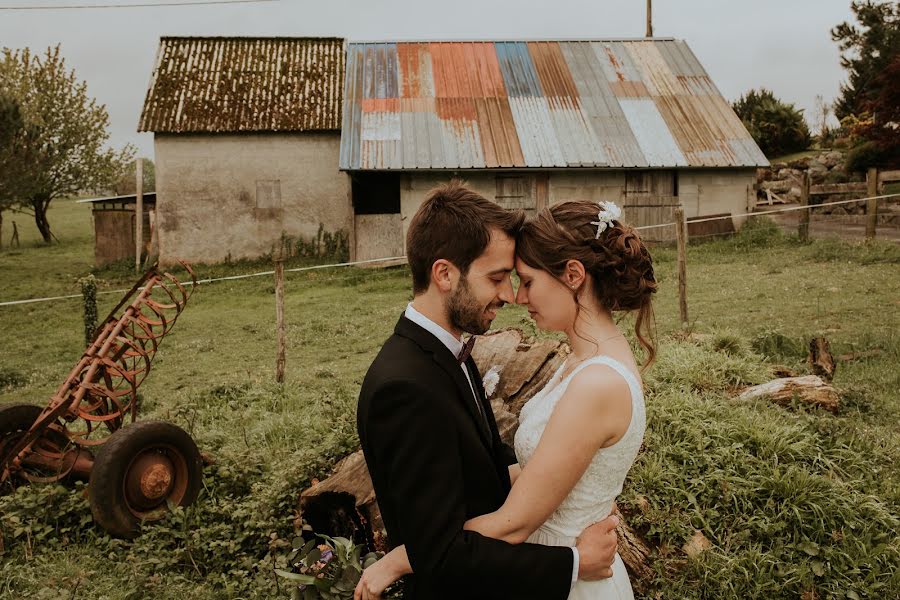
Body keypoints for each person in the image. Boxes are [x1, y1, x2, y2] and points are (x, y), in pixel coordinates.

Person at [357, 196, 657, 599]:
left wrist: (400, 558)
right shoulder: (408, 383)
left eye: (525, 281)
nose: (514, 296)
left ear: (573, 275)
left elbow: (512, 514)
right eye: (499, 277)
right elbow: (454, 531)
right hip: (537, 569)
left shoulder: (594, 380)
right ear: (444, 274)